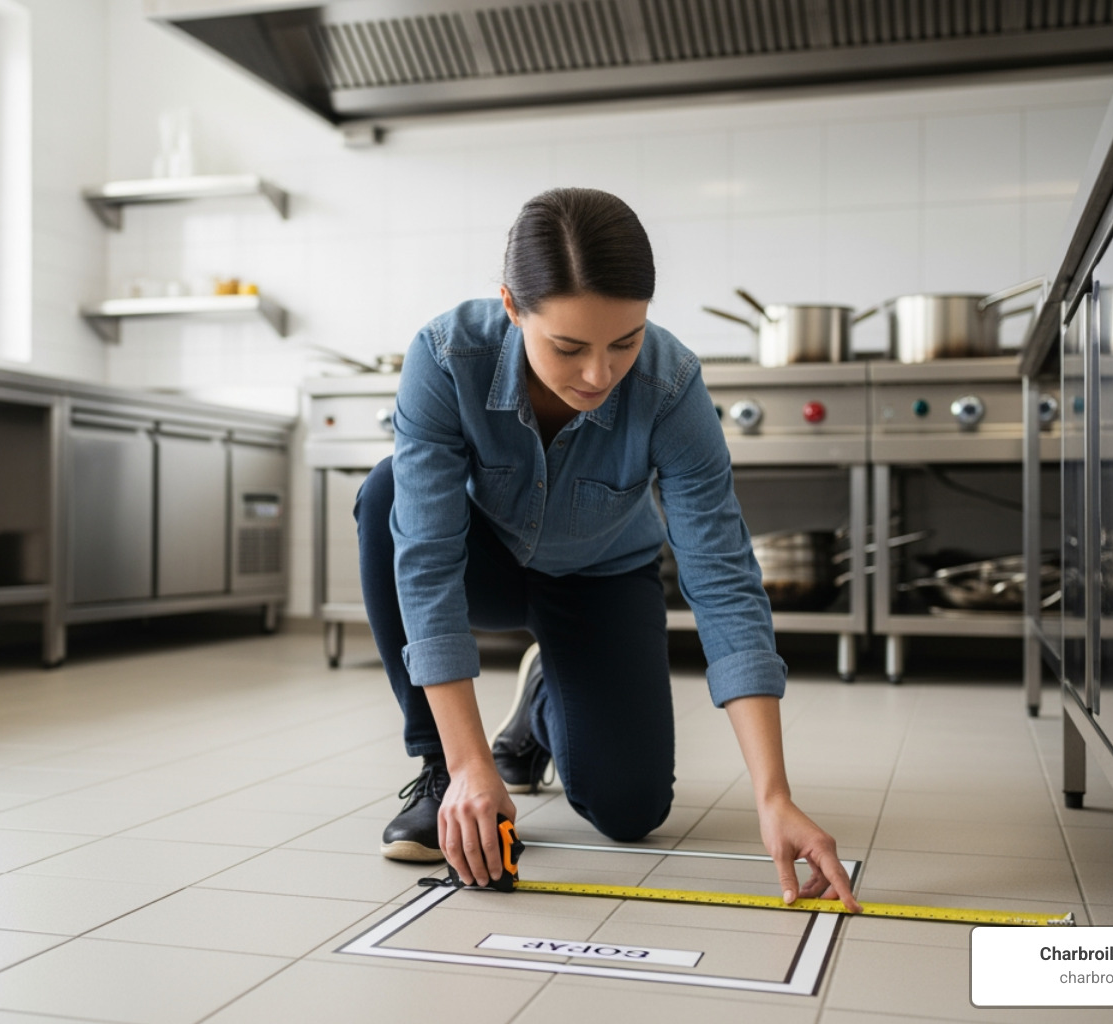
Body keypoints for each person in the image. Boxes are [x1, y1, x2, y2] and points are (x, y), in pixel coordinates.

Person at [355, 187, 860, 912]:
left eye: (624, 341)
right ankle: (438, 768)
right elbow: (428, 559)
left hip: (601, 577)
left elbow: (721, 576)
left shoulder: (671, 383)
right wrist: (469, 767)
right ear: (511, 307)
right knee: (384, 496)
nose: (599, 375)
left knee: (631, 810)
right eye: (568, 346)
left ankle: (540, 705)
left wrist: (773, 795)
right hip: (485, 566)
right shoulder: (445, 356)